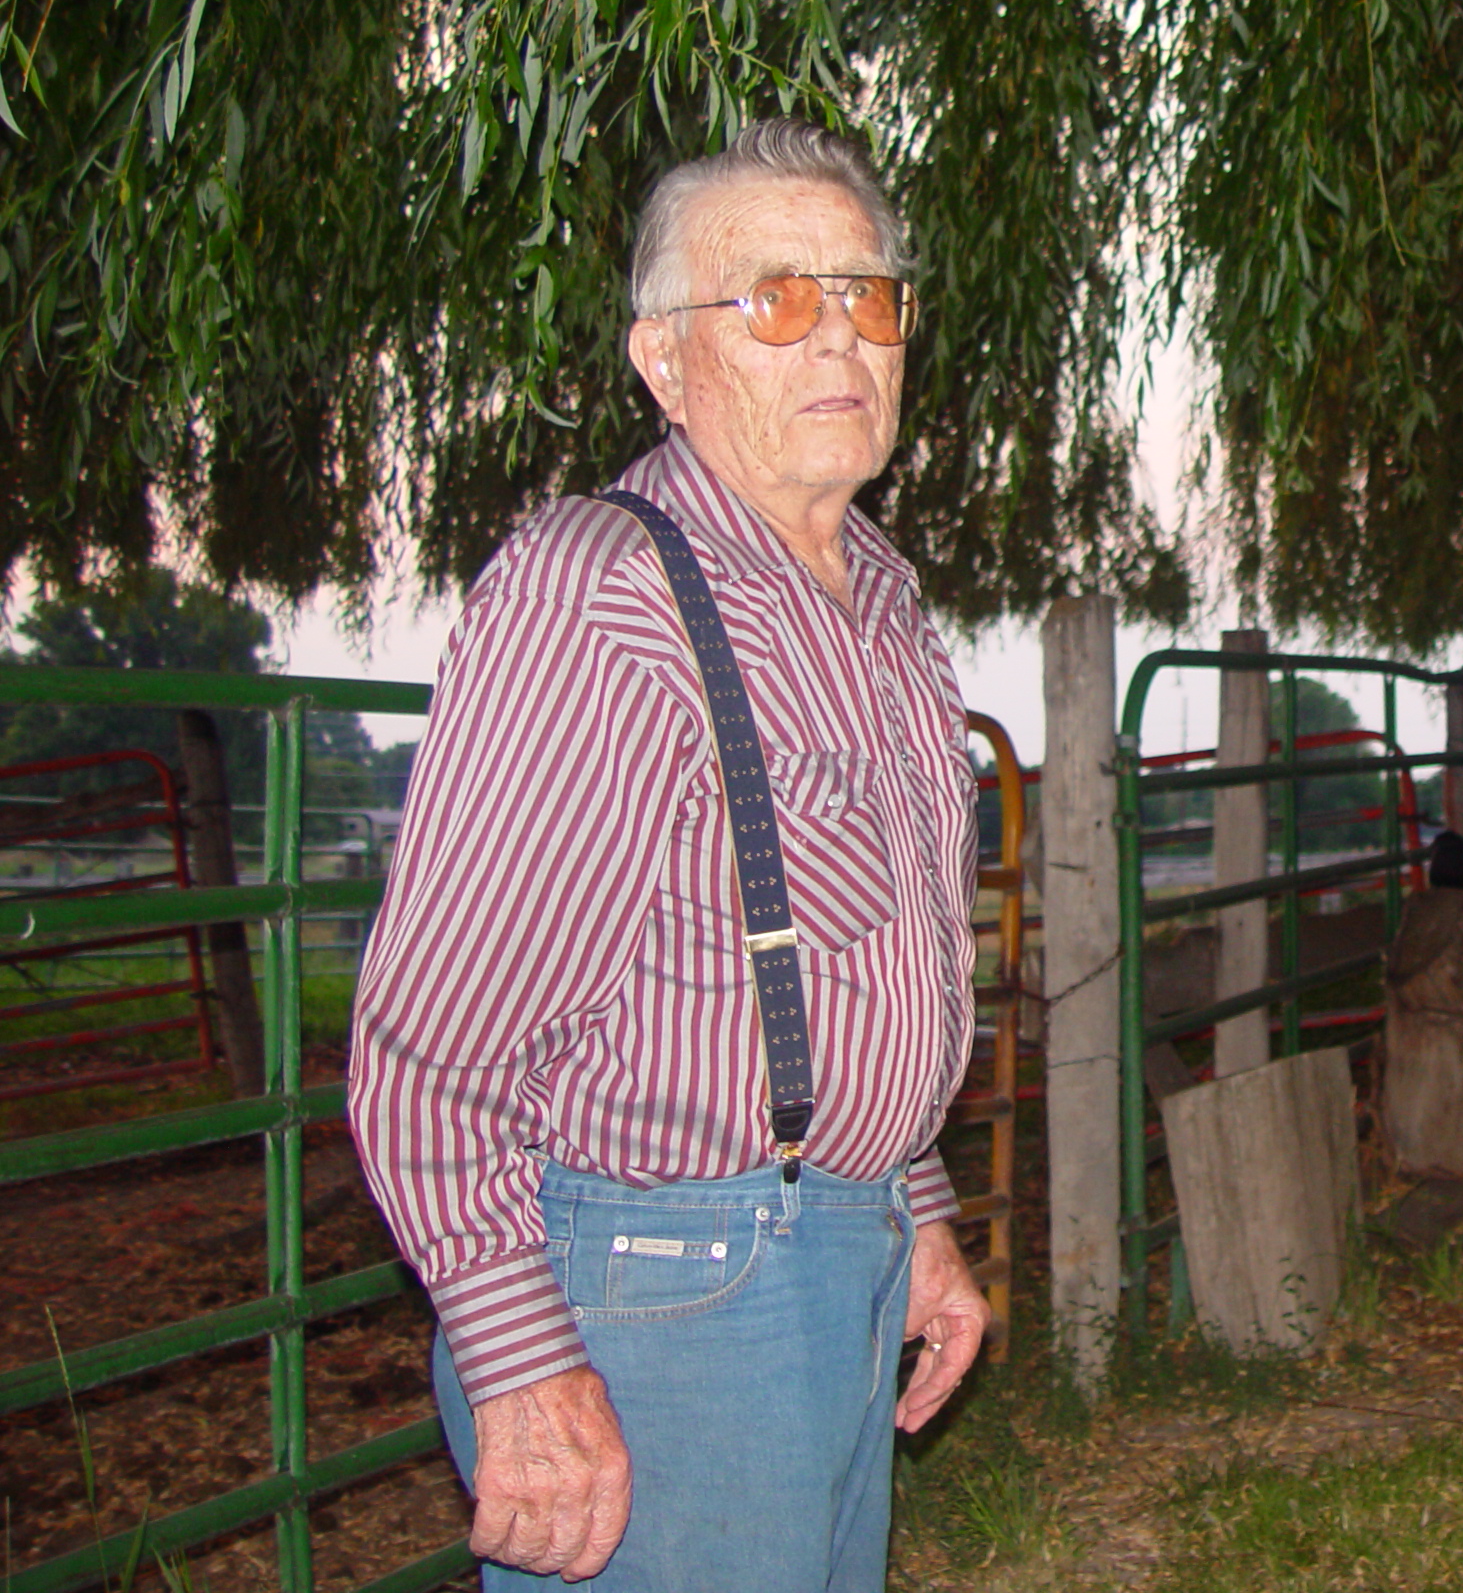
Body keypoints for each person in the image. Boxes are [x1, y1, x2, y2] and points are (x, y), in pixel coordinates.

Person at [349, 118, 992, 1589]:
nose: (839, 335)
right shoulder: (606, 597)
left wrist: (918, 1213)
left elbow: (875, 965)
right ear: (663, 361)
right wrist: (520, 1364)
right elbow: (431, 1050)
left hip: (836, 1257)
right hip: (663, 1295)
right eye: (774, 299)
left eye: (868, 296)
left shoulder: (886, 607)